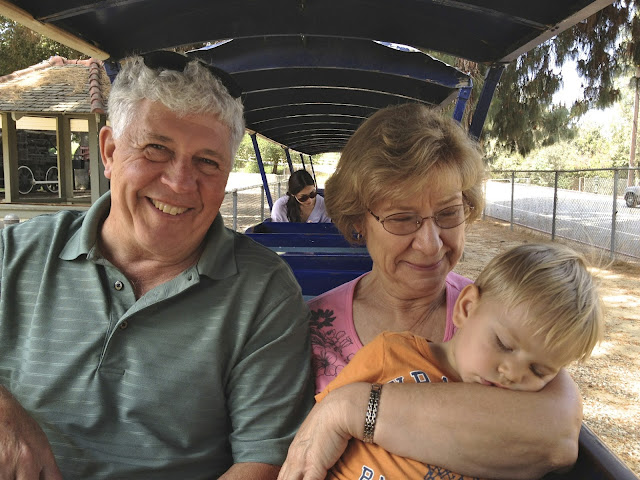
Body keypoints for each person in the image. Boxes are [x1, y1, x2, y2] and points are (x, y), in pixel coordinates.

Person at [0, 50, 314, 479]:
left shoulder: (263, 291)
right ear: (109, 152)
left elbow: (264, 460)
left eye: (207, 162)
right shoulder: (14, 253)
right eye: (156, 149)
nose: (180, 183)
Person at [278, 104, 584, 480]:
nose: (430, 244)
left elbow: (557, 438)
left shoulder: (501, 317)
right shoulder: (312, 329)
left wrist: (351, 408)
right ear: (359, 222)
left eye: (448, 213)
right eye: (402, 218)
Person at [317, 243, 604, 480]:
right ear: (466, 308)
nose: (513, 374)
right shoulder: (390, 353)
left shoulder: (519, 415)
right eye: (504, 345)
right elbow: (318, 427)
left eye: (538, 370)